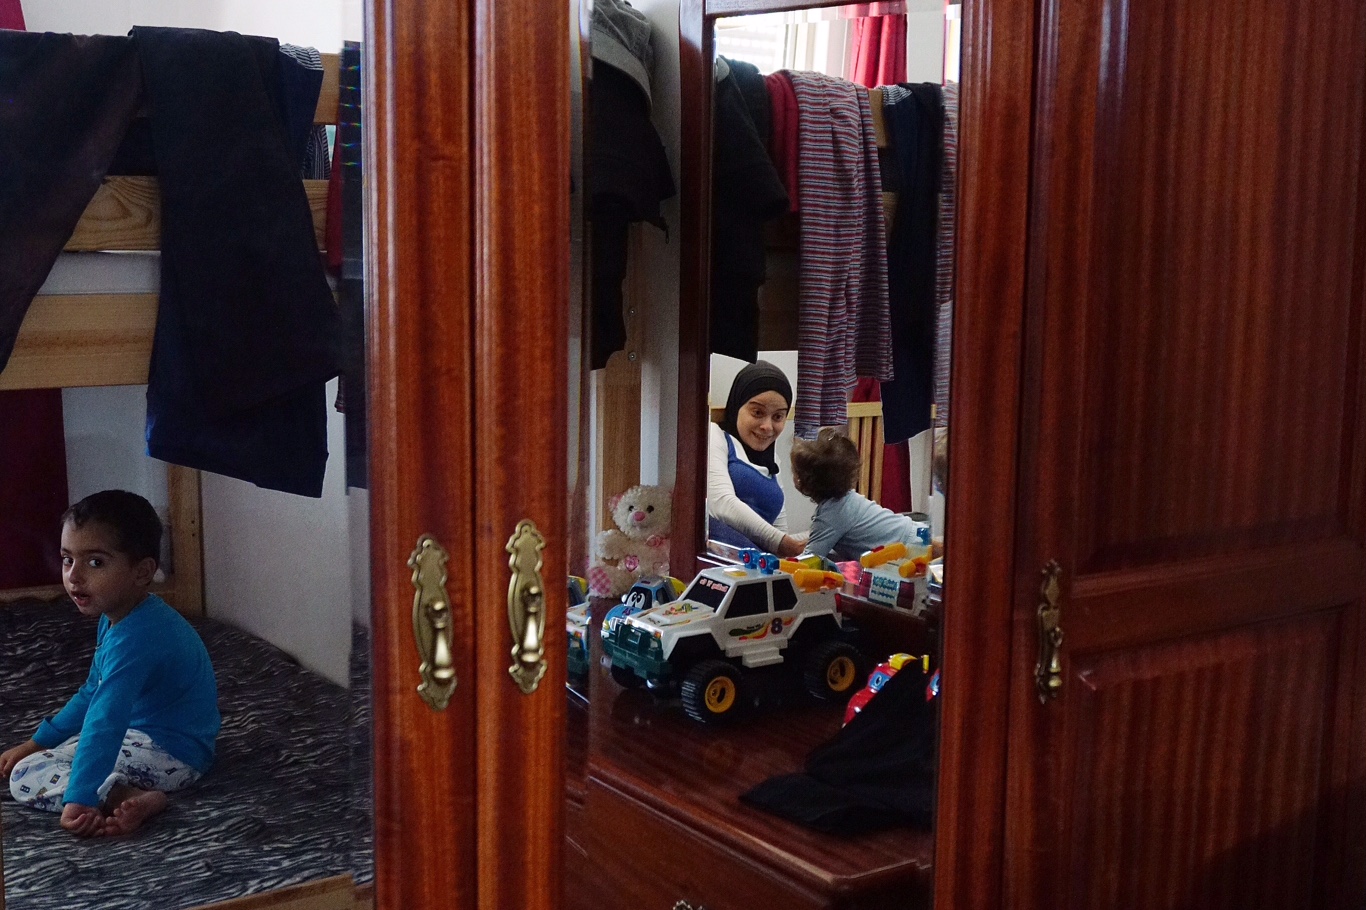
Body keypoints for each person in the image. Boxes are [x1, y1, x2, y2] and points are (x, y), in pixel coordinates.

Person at [0, 490, 220, 838]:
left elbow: (105, 719)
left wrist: (80, 799)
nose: (74, 576)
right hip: (162, 741)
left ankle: (122, 795)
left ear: (142, 571)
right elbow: (93, 692)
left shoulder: (136, 637)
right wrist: (36, 741)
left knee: (27, 774)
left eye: (95, 562)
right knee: (52, 755)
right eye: (67, 559)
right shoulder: (120, 616)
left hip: (173, 756)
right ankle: (120, 790)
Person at [708, 361, 805, 557]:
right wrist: (782, 543)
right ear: (737, 406)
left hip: (761, 564)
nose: (767, 427)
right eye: (758, 413)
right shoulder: (715, 435)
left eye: (778, 417)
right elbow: (721, 504)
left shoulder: (773, 460)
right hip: (724, 563)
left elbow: (780, 528)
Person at [790, 428, 923, 562]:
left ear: (801, 480)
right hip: (915, 532)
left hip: (908, 550)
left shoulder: (830, 517)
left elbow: (810, 559)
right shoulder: (847, 499)